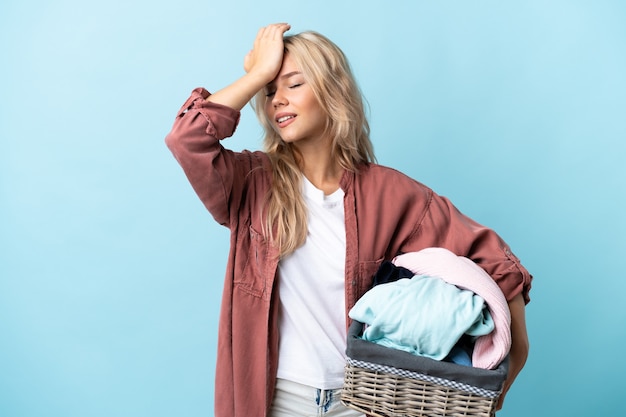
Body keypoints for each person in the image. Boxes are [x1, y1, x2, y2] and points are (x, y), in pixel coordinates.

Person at [165, 23, 532, 417]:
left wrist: (509, 360)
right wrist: (256, 74)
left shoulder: (390, 194)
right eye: (269, 92)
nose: (277, 101)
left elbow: (495, 262)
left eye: (293, 85)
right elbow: (187, 139)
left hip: (361, 400)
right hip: (275, 400)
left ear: (331, 90)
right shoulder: (250, 183)